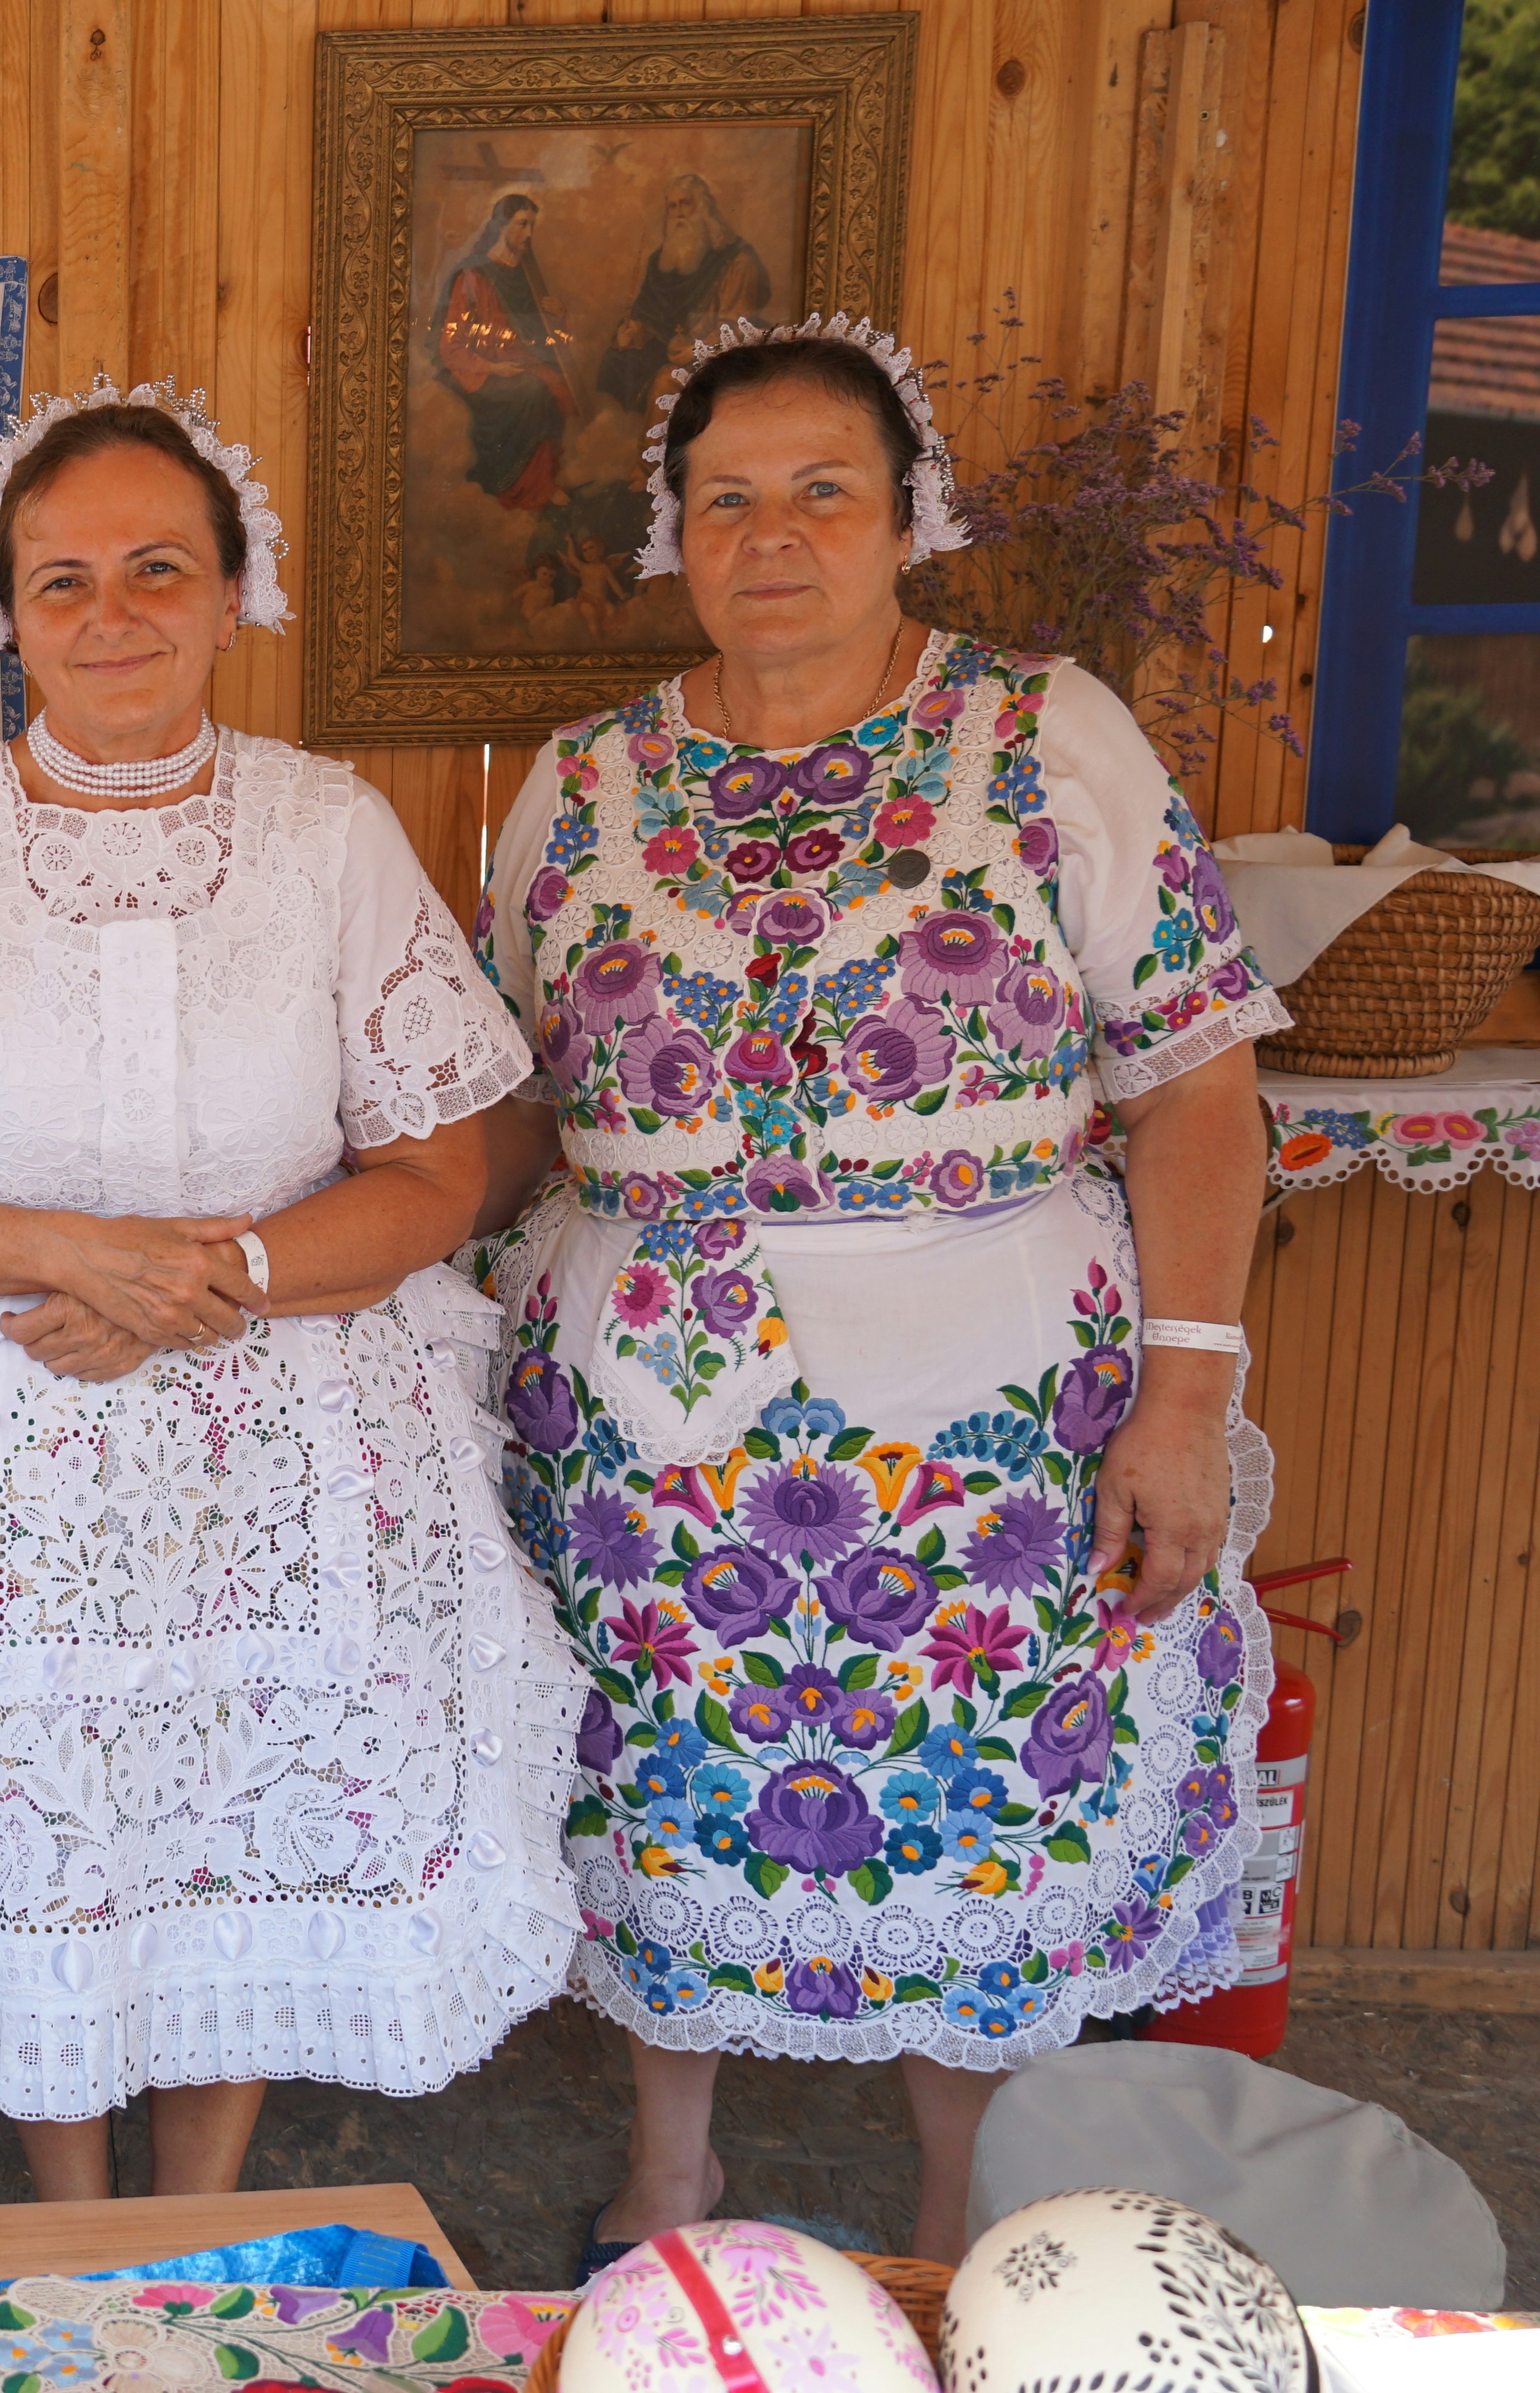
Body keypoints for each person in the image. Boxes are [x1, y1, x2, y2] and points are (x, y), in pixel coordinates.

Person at [0, 381, 585, 2202]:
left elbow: (440, 1167)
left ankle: (192, 2222)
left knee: (226, 1808)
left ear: (229, 590)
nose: (109, 616)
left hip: (278, 1442)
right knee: (48, 1833)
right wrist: (66, 1249)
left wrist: (217, 1274)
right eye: (63, 581)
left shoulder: (326, 831)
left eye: (154, 571)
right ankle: (73, 2226)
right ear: (7, 613)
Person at [466, 317, 1282, 2272]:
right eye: (727, 499)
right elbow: (503, 1108)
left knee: (984, 1795)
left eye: (825, 490)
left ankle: (955, 2212)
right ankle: (676, 2175)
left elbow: (1193, 1080)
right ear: (675, 533)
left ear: (908, 517)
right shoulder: (580, 787)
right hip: (648, 1419)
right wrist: (311, 1251)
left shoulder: (1042, 734)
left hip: (985, 1410)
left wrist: (1184, 1394)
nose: (775, 535)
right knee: (654, 1777)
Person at [433, 192, 577, 510]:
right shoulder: (473, 276)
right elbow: (451, 346)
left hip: (522, 363)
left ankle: (547, 477)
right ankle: (529, 487)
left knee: (557, 388)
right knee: (534, 391)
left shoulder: (527, 273)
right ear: (501, 226)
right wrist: (495, 369)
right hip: (481, 369)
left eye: (532, 226)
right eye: (522, 224)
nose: (529, 234)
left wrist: (561, 315)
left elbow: (545, 338)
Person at [596, 176, 773, 417]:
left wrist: (699, 348)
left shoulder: (737, 261)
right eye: (673, 206)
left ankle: (654, 452)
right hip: (673, 350)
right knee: (616, 363)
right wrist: (633, 331)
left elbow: (740, 327)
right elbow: (650, 314)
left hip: (721, 356)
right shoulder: (663, 260)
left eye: (686, 204)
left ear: (703, 208)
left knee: (664, 382)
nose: (679, 213)